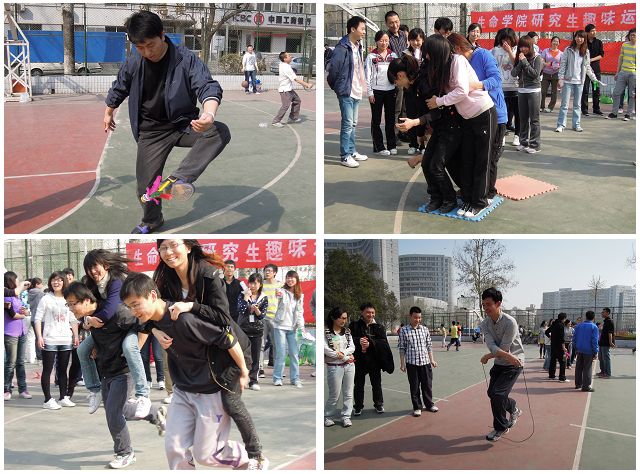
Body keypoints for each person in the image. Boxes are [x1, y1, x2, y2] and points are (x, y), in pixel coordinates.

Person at [104, 10, 231, 234]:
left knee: (219, 131)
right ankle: (152, 220)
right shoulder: (134, 61)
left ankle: (179, 179)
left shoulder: (185, 58)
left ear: (162, 35)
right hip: (151, 132)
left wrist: (208, 114)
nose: (146, 52)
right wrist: (109, 111)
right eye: (139, 47)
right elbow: (120, 86)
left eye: (150, 45)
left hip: (182, 125)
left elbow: (206, 85)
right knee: (146, 189)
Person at [120, 272, 259, 470]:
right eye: (129, 306)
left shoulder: (184, 319)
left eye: (136, 304)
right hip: (182, 390)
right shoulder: (151, 320)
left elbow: (228, 338)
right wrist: (154, 330)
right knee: (174, 448)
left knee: (208, 454)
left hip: (209, 391)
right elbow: (143, 329)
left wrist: (244, 371)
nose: (133, 311)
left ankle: (250, 459)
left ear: (152, 295)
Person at [152, 239, 267, 467]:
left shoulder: (208, 274)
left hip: (229, 348)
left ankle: (256, 456)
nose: (168, 252)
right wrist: (155, 330)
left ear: (187, 247)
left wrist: (190, 306)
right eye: (162, 248)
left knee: (230, 402)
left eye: (173, 245)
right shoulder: (165, 279)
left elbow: (223, 318)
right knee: (178, 445)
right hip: (203, 354)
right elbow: (155, 311)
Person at [63, 282, 141, 469]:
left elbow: (142, 325)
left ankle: (125, 452)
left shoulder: (117, 313)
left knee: (113, 414)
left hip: (124, 372)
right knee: (122, 410)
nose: (71, 308)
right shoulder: (89, 320)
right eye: (68, 304)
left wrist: (133, 347)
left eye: (73, 304)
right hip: (106, 371)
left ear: (87, 300)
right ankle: (154, 413)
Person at [426, 34, 496, 218]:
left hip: (483, 113)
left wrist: (439, 101)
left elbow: (462, 91)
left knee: (481, 161)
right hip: (467, 118)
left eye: (429, 53)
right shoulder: (443, 67)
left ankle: (479, 202)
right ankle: (468, 198)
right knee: (468, 160)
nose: (427, 57)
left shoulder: (457, 60)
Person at [77, 249, 150, 417]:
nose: (92, 271)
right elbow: (84, 310)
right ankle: (94, 390)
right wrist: (87, 320)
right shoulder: (90, 285)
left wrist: (90, 320)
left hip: (127, 327)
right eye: (88, 268)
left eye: (95, 266)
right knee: (82, 350)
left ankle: (143, 395)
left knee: (129, 348)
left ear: (106, 265)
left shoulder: (116, 281)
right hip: (108, 330)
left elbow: (109, 310)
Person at [392, 53, 461, 214]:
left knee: (436, 165)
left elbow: (436, 112)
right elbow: (417, 113)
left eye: (395, 80)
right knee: (426, 164)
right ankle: (436, 197)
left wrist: (415, 123)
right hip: (438, 128)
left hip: (451, 126)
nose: (395, 83)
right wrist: (419, 134)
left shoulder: (424, 84)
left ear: (400, 75)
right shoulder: (410, 89)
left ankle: (450, 199)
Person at [448, 33, 507, 202]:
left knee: (490, 158)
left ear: (457, 48)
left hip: (493, 112)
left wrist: (477, 85)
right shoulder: (459, 62)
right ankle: (477, 191)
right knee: (474, 156)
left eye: (450, 52)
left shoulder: (482, 55)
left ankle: (488, 193)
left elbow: (496, 79)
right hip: (474, 114)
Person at [479, 288, 524, 442]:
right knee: (492, 393)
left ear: (498, 303)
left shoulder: (510, 322)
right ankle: (513, 408)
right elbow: (491, 345)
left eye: (488, 304)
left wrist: (489, 356)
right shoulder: (485, 323)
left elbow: (504, 347)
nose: (485, 308)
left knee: (498, 394)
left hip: (514, 363)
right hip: (501, 361)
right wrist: (502, 355)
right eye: (483, 305)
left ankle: (501, 427)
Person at [327, 16, 369, 168]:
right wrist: (338, 87)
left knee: (353, 123)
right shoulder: (342, 48)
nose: (364, 32)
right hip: (346, 91)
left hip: (356, 89)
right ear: (353, 29)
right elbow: (333, 71)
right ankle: (345, 156)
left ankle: (352, 151)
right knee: (347, 124)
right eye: (362, 29)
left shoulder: (358, 46)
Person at [33, 271, 79, 410]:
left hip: (65, 339)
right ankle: (47, 399)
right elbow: (37, 319)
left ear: (64, 282)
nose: (56, 282)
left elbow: (73, 319)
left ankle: (63, 397)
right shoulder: (46, 298)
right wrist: (39, 337)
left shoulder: (68, 298)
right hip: (50, 339)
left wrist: (76, 336)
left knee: (63, 370)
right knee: (47, 370)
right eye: (53, 280)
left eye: (59, 280)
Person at [349, 303, 393, 415]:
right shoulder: (354, 325)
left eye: (373, 312)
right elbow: (348, 340)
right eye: (368, 312)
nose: (371, 314)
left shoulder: (379, 327)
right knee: (358, 385)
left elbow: (384, 343)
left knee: (376, 384)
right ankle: (358, 406)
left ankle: (378, 404)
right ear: (362, 312)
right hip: (359, 361)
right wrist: (358, 340)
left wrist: (371, 343)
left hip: (374, 361)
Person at [556, 30, 603, 133]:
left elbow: (587, 67)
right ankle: (560, 125)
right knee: (564, 105)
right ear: (575, 37)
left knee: (577, 105)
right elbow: (563, 65)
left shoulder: (586, 52)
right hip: (568, 81)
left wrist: (594, 79)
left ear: (584, 39)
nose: (579, 39)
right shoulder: (568, 50)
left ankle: (576, 125)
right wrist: (561, 78)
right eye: (578, 36)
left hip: (579, 82)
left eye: (582, 37)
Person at [398, 307, 438, 417]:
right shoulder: (404, 330)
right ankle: (417, 407)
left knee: (427, 385)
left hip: (425, 363)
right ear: (410, 316)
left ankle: (429, 405)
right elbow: (402, 348)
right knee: (414, 387)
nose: (418, 320)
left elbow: (429, 346)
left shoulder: (425, 330)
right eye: (415, 317)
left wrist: (432, 360)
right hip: (412, 364)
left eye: (419, 317)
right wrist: (402, 364)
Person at [365, 31, 398, 156]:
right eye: (381, 40)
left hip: (390, 91)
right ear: (376, 41)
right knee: (376, 120)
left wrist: (395, 85)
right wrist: (370, 92)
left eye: (386, 40)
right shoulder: (371, 57)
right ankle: (379, 147)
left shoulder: (393, 55)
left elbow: (397, 72)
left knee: (390, 119)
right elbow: (368, 75)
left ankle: (392, 145)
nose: (384, 43)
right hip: (376, 92)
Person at [510, 35, 543, 154]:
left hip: (534, 91)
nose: (523, 49)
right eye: (521, 46)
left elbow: (535, 74)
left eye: (526, 46)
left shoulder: (537, 58)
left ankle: (535, 145)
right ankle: (523, 142)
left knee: (534, 119)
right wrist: (520, 62)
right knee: (523, 119)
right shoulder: (520, 57)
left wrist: (524, 62)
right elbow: (514, 73)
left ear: (530, 46)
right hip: (522, 90)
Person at [272, 271, 306, 388]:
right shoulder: (281, 291)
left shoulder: (300, 295)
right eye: (288, 278)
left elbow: (300, 312)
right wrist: (278, 293)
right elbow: (277, 296)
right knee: (281, 353)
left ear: (296, 280)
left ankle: (295, 378)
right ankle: (277, 378)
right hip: (280, 326)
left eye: (292, 278)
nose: (290, 280)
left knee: (294, 354)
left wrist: (302, 328)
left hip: (293, 328)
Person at [324, 307, 355, 428]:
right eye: (341, 318)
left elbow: (352, 347)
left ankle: (346, 416)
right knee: (334, 394)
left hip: (349, 366)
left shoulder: (347, 332)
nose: (344, 321)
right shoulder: (326, 332)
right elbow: (326, 350)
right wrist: (345, 357)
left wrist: (343, 353)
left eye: (345, 318)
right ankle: (328, 416)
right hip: (334, 367)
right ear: (333, 318)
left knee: (348, 393)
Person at [237, 273, 268, 391]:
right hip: (243, 330)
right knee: (242, 355)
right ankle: (242, 379)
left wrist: (257, 310)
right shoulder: (242, 294)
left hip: (257, 330)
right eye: (250, 283)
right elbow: (241, 310)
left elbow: (262, 316)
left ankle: (253, 381)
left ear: (260, 284)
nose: (252, 285)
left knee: (255, 357)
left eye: (255, 283)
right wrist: (246, 297)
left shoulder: (263, 297)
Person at [4, 271, 31, 400]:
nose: (18, 281)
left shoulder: (17, 296)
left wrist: (24, 311)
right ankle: (6, 389)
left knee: (20, 362)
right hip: (10, 333)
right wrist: (23, 315)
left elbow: (21, 311)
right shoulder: (6, 296)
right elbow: (13, 315)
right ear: (11, 281)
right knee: (11, 362)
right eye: (16, 279)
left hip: (22, 331)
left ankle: (23, 389)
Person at [491, 28, 520, 146]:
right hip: (501, 87)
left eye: (508, 40)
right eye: (503, 40)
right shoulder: (495, 50)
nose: (505, 42)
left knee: (517, 113)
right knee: (503, 113)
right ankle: (502, 135)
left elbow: (517, 65)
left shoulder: (517, 50)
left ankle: (517, 135)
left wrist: (509, 51)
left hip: (515, 86)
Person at [272, 51, 313, 128]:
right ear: (285, 59)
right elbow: (296, 79)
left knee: (297, 101)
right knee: (285, 106)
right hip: (285, 90)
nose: (291, 56)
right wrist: (307, 85)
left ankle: (292, 118)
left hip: (289, 89)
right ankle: (276, 121)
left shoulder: (283, 64)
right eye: (289, 56)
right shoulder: (286, 67)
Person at [384, 10, 408, 142]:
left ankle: (403, 132)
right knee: (396, 108)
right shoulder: (386, 37)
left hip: (406, 77)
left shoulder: (403, 35)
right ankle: (394, 134)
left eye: (397, 21)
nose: (395, 25)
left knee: (405, 107)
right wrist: (393, 78)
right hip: (395, 78)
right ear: (386, 24)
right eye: (391, 23)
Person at [404, 28, 427, 155]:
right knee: (411, 115)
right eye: (412, 40)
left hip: (423, 90)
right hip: (410, 90)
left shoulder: (427, 53)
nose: (415, 43)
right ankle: (413, 144)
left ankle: (422, 144)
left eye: (418, 40)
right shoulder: (406, 53)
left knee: (422, 117)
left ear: (423, 39)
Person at [607, 28, 635, 121]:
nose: (632, 37)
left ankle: (628, 114)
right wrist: (617, 72)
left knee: (632, 95)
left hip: (634, 74)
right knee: (616, 93)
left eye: (634, 35)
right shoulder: (624, 45)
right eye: (631, 35)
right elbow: (620, 59)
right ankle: (614, 113)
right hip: (623, 72)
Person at [259, 263, 280, 377]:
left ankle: (278, 369)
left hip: (275, 319)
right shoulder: (261, 284)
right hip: (262, 317)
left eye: (269, 271)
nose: (267, 273)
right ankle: (260, 369)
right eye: (266, 271)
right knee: (261, 344)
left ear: (275, 273)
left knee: (276, 344)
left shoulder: (280, 285)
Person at [581, 25, 604, 116]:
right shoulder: (584, 42)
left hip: (595, 70)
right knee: (585, 89)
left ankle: (596, 109)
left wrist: (591, 60)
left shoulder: (598, 42)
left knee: (596, 89)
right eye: (592, 31)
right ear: (587, 32)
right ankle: (584, 109)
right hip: (585, 70)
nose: (594, 32)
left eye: (595, 30)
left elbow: (601, 55)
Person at [573, 311, 599, 392]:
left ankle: (578, 384)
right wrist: (595, 351)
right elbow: (594, 340)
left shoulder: (578, 326)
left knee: (578, 367)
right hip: (589, 350)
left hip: (579, 349)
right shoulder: (594, 327)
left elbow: (574, 338)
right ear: (593, 317)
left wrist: (575, 348)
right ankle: (586, 386)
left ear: (586, 316)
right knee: (587, 368)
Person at [540, 37, 563, 113]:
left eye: (557, 41)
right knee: (543, 91)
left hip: (555, 74)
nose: (555, 43)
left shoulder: (561, 53)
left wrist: (558, 67)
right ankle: (541, 106)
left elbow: (563, 64)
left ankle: (550, 107)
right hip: (546, 73)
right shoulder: (545, 51)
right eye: (554, 41)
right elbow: (541, 60)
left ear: (559, 43)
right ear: (551, 42)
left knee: (554, 92)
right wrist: (546, 64)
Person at [545, 312, 568, 382]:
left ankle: (551, 375)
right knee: (562, 362)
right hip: (559, 347)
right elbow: (561, 337)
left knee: (553, 361)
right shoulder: (561, 325)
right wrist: (564, 347)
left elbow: (546, 332)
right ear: (564, 318)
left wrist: (550, 337)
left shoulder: (554, 324)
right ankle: (562, 377)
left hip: (553, 346)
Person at [597, 307, 615, 378]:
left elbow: (610, 333)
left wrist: (610, 342)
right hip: (601, 342)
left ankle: (607, 373)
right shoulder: (605, 321)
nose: (602, 313)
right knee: (601, 357)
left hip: (606, 343)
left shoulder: (610, 321)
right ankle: (603, 371)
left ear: (607, 313)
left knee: (606, 358)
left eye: (603, 312)